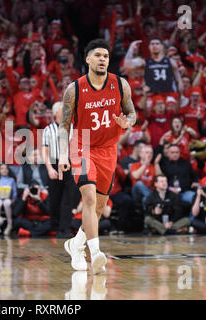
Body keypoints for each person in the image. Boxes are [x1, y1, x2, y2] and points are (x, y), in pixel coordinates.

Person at [58, 39, 136, 274]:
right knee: (89, 199)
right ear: (88, 59)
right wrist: (63, 155)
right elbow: (64, 126)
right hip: (82, 146)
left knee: (98, 208)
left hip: (108, 151)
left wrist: (128, 122)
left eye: (106, 56)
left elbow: (132, 112)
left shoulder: (121, 85)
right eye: (98, 55)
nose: (103, 59)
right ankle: (95, 251)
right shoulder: (74, 89)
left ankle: (76, 244)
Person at [42, 101, 78, 238]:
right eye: (64, 110)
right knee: (55, 198)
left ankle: (65, 228)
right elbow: (45, 151)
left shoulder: (73, 128)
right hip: (54, 163)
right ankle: (56, 226)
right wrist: (50, 169)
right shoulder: (48, 129)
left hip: (70, 164)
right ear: (57, 113)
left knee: (68, 198)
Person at [0, 164, 17, 235]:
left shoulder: (11, 180)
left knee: (7, 203)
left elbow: (14, 191)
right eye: (2, 168)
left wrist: (13, 199)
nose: (4, 170)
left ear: (8, 170)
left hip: (7, 198)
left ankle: (9, 224)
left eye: (5, 169)